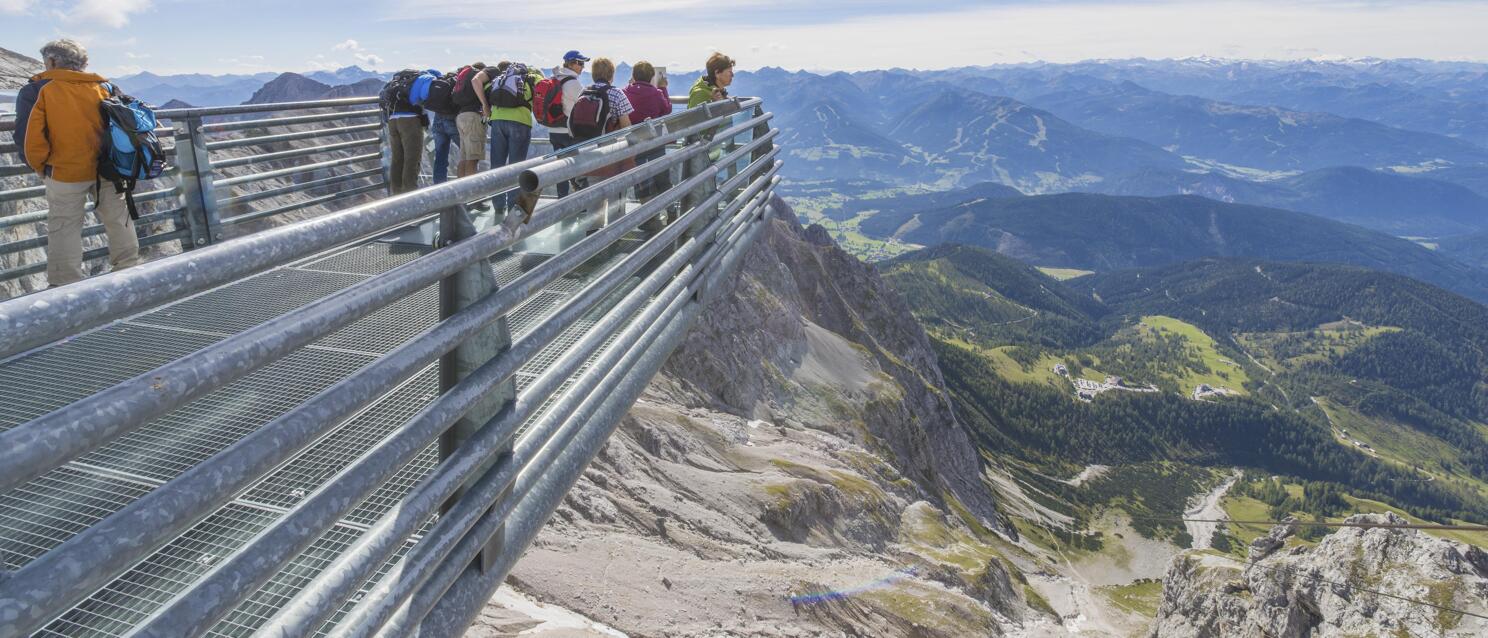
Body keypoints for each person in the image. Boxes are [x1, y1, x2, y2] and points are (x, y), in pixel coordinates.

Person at [14, 39, 141, 287]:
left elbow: (29, 138)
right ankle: (129, 273)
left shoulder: (38, 90)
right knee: (118, 219)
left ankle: (65, 286)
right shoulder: (105, 86)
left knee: (65, 228)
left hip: (65, 172)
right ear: (82, 64)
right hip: (109, 169)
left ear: (51, 62)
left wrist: (40, 167)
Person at [486, 62, 544, 213]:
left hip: (497, 120)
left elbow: (487, 90)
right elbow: (544, 85)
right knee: (516, 166)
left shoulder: (502, 78)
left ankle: (498, 205)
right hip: (520, 122)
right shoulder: (531, 76)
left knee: (497, 164)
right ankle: (513, 206)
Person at [622, 61, 671, 201]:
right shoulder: (657, 93)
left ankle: (646, 217)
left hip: (634, 140)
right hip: (655, 139)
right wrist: (664, 88)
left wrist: (630, 84)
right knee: (661, 175)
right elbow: (666, 110)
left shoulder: (625, 92)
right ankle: (670, 210)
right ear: (651, 77)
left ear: (634, 76)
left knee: (641, 179)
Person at [549, 50, 589, 197]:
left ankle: (562, 200)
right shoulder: (572, 83)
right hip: (568, 132)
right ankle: (582, 203)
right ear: (573, 63)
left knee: (561, 168)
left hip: (553, 131)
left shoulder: (556, 78)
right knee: (577, 169)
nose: (583, 67)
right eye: (581, 63)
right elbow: (585, 104)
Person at [384, 71, 428, 195]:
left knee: (397, 159)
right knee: (412, 159)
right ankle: (411, 196)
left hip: (392, 121)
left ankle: (397, 195)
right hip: (410, 121)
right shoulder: (417, 84)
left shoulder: (395, 87)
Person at [455, 62, 489, 179]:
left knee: (464, 158)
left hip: (461, 117)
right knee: (473, 159)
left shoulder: (464, 80)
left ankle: (460, 193)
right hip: (473, 118)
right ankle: (472, 194)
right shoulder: (477, 80)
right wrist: (485, 105)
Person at [430, 111, 460, 184]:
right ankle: (466, 188)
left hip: (437, 118)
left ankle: (439, 190)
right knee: (468, 156)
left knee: (440, 159)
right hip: (453, 117)